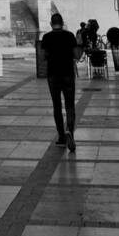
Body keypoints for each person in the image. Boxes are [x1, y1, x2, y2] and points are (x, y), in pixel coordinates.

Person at [40, 13, 82, 151]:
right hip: (68, 74)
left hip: (53, 75)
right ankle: (69, 130)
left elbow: (43, 57)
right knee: (70, 105)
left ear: (51, 24)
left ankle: (61, 137)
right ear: (62, 23)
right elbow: (76, 55)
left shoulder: (46, 37)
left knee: (56, 105)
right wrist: (79, 44)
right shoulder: (69, 36)